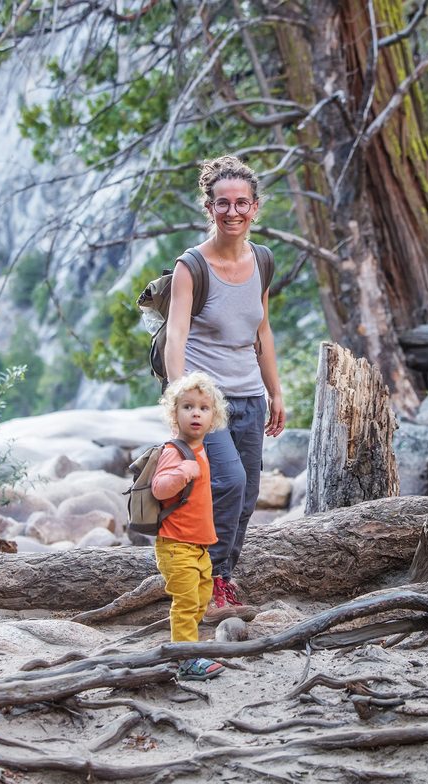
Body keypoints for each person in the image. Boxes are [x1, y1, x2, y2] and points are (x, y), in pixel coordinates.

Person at [164, 155, 285, 611]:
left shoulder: (263, 261)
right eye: (222, 204)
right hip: (206, 402)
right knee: (228, 483)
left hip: (251, 396)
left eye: (241, 203)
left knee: (248, 494)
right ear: (209, 208)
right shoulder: (191, 266)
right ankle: (207, 579)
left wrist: (275, 391)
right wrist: (182, 400)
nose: (232, 212)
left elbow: (262, 331)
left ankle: (220, 578)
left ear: (255, 208)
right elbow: (176, 335)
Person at [152, 371, 231, 681]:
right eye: (187, 407)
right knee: (185, 603)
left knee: (200, 600)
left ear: (213, 418)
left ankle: (190, 648)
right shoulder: (175, 452)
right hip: (175, 545)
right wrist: (182, 473)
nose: (196, 413)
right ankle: (185, 659)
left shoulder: (202, 450)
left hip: (198, 546)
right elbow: (160, 489)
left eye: (203, 407)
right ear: (175, 415)